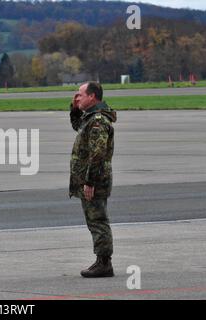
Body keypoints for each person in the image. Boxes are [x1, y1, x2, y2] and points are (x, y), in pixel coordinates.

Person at [69, 81, 117, 278]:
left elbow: (97, 154)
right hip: (92, 178)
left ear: (92, 97)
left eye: (80, 95)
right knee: (94, 220)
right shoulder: (91, 118)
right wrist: (74, 109)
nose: (77, 97)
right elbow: (77, 126)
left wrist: (90, 181)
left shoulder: (97, 121)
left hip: (95, 180)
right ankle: (102, 260)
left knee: (98, 220)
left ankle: (104, 263)